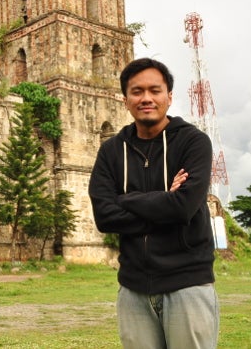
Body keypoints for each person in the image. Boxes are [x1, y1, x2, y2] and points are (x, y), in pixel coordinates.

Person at [88, 57, 219, 348]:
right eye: (137, 91)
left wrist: (126, 199)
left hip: (187, 283)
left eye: (155, 90)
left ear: (169, 97)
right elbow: (104, 217)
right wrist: (165, 200)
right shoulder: (111, 151)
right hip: (133, 287)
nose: (146, 98)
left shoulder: (193, 143)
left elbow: (184, 207)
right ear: (125, 100)